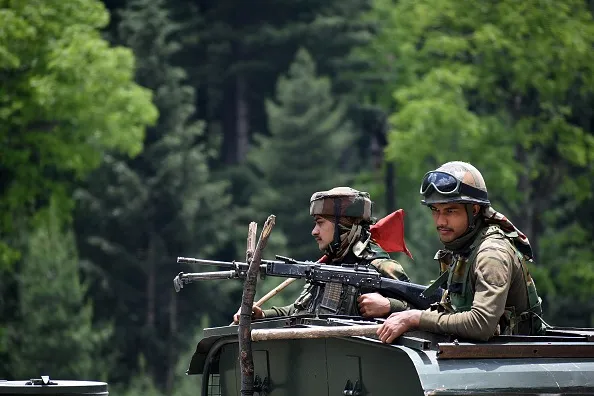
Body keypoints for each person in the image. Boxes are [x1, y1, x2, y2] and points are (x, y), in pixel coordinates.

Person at [377, 161, 544, 343]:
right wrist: (396, 309)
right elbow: (450, 311)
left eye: (450, 211)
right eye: (435, 210)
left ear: (474, 210)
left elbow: (481, 324)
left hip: (515, 360)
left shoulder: (491, 253)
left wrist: (415, 318)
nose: (440, 221)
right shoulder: (466, 246)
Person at [233, 187, 411, 323]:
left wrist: (389, 306)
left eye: (320, 223)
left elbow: (426, 312)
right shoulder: (328, 266)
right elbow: (301, 312)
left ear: (344, 224)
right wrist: (262, 315)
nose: (314, 231)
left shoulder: (380, 267)